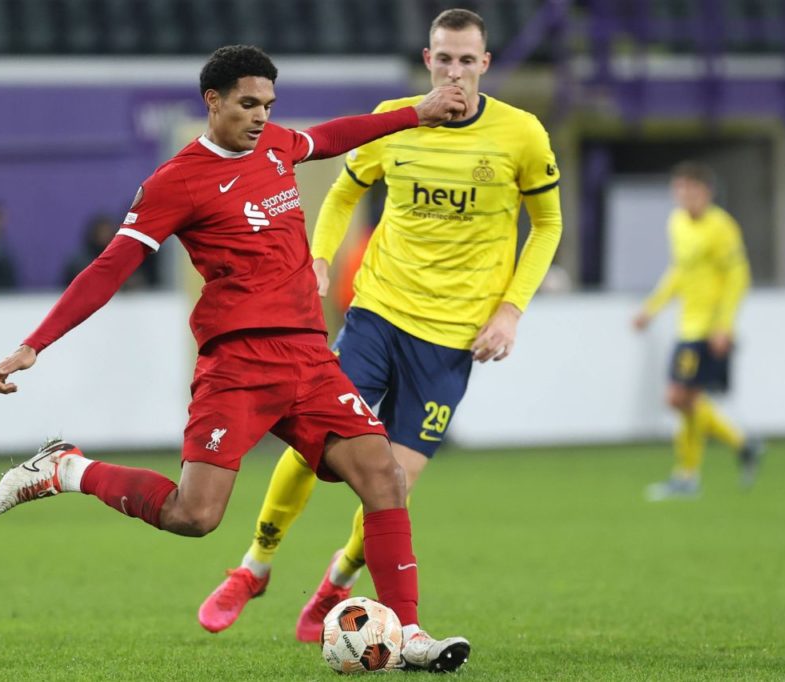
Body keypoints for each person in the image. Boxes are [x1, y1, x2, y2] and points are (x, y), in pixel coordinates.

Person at [0, 45, 473, 672]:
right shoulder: (175, 182)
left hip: (306, 354)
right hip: (237, 365)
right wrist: (35, 343)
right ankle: (67, 469)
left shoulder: (275, 146)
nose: (260, 117)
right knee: (194, 516)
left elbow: (331, 137)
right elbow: (110, 267)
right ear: (211, 101)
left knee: (384, 476)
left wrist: (419, 111)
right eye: (248, 104)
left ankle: (407, 633)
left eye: (268, 105)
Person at [198, 9, 564, 643]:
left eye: (466, 60)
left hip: (453, 338)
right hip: (377, 312)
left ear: (485, 64)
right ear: (427, 61)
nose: (454, 72)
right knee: (312, 445)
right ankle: (254, 567)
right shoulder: (396, 119)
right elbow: (343, 192)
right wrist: (317, 256)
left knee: (392, 481)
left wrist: (510, 309)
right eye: (443, 59)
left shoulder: (521, 135)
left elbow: (548, 224)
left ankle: (334, 585)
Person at [634, 161, 761, 501]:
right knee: (687, 400)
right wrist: (651, 308)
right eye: (680, 190)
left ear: (706, 192)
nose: (685, 196)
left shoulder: (722, 228)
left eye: (691, 190)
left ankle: (693, 472)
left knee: (678, 397)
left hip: (707, 329)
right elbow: (679, 272)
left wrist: (725, 325)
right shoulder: (676, 223)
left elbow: (738, 278)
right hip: (687, 325)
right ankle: (735, 449)